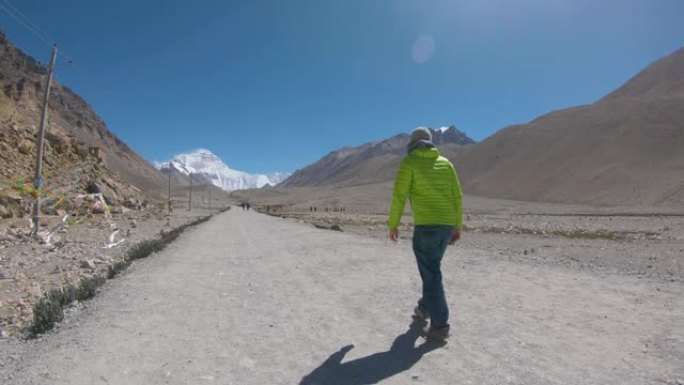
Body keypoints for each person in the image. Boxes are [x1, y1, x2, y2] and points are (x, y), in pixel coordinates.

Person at [388, 127, 463, 340]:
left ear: (412, 143)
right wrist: (457, 226)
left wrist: (393, 224)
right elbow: (457, 196)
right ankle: (424, 308)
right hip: (446, 227)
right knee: (430, 270)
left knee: (431, 275)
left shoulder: (409, 163)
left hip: (426, 228)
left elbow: (399, 195)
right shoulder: (446, 164)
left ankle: (440, 326)